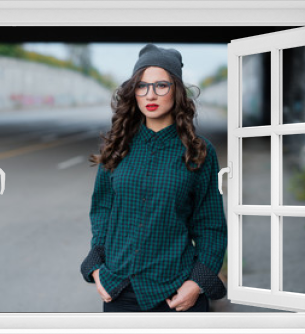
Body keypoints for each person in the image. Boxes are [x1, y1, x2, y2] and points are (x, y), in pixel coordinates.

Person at [80, 44, 227, 312]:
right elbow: (102, 214)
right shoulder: (117, 147)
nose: (151, 94)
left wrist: (196, 284)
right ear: (133, 92)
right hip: (119, 290)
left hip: (178, 294)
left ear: (177, 91)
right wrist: (97, 268)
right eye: (142, 86)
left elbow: (211, 228)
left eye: (161, 85)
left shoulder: (199, 152)